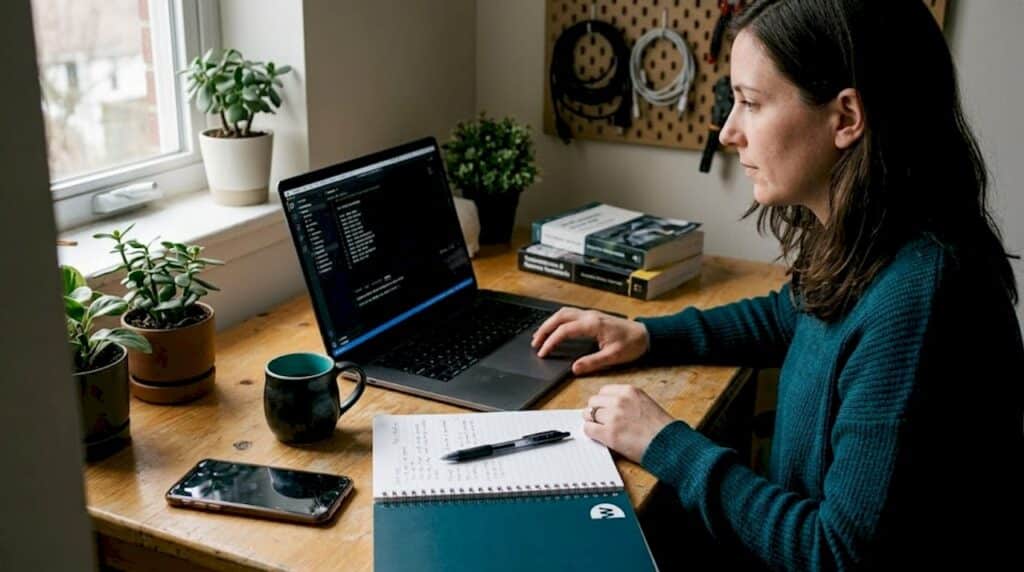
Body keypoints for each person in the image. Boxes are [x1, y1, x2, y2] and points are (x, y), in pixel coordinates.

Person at [531, 0, 1024, 569]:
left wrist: (664, 441)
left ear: (845, 118)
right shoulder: (876, 239)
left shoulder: (921, 297)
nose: (728, 131)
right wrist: (644, 334)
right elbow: (793, 313)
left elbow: (834, 552)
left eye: (751, 102)